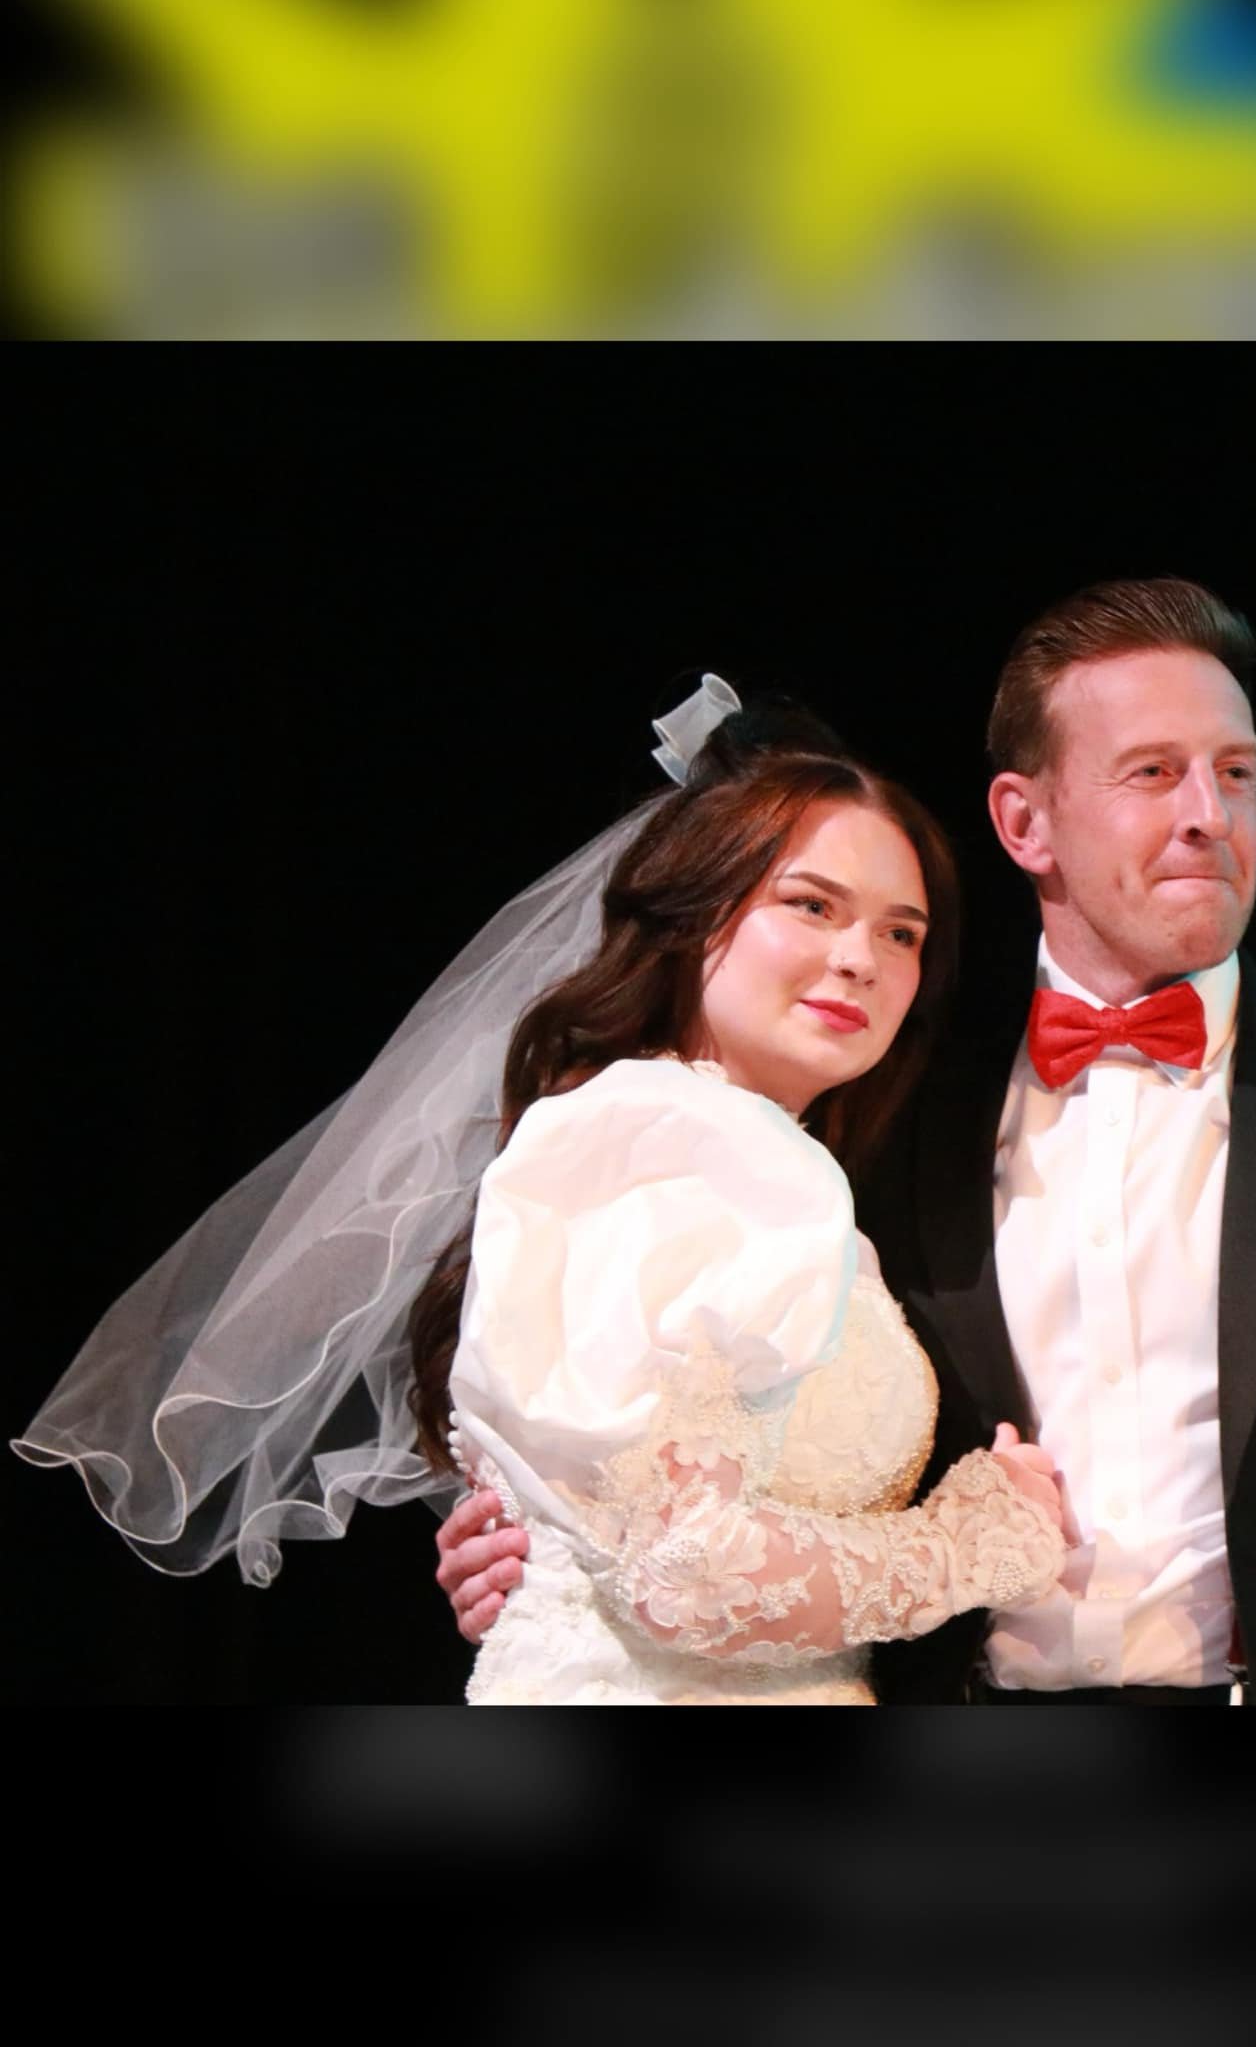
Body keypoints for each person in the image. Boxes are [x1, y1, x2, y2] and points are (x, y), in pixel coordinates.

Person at [444, 581, 1256, 1704]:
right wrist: (544, 1527)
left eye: (1235, 772)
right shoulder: (890, 1108)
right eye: (1152, 773)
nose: (1205, 816)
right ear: (1026, 819)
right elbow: (669, 1432)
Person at [16, 681, 1068, 1705]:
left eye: (900, 931)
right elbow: (682, 1569)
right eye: (810, 905)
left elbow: (611, 1519)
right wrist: (968, 1545)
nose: (860, 959)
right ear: (695, 917)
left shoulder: (675, 1141)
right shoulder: (690, 1145)